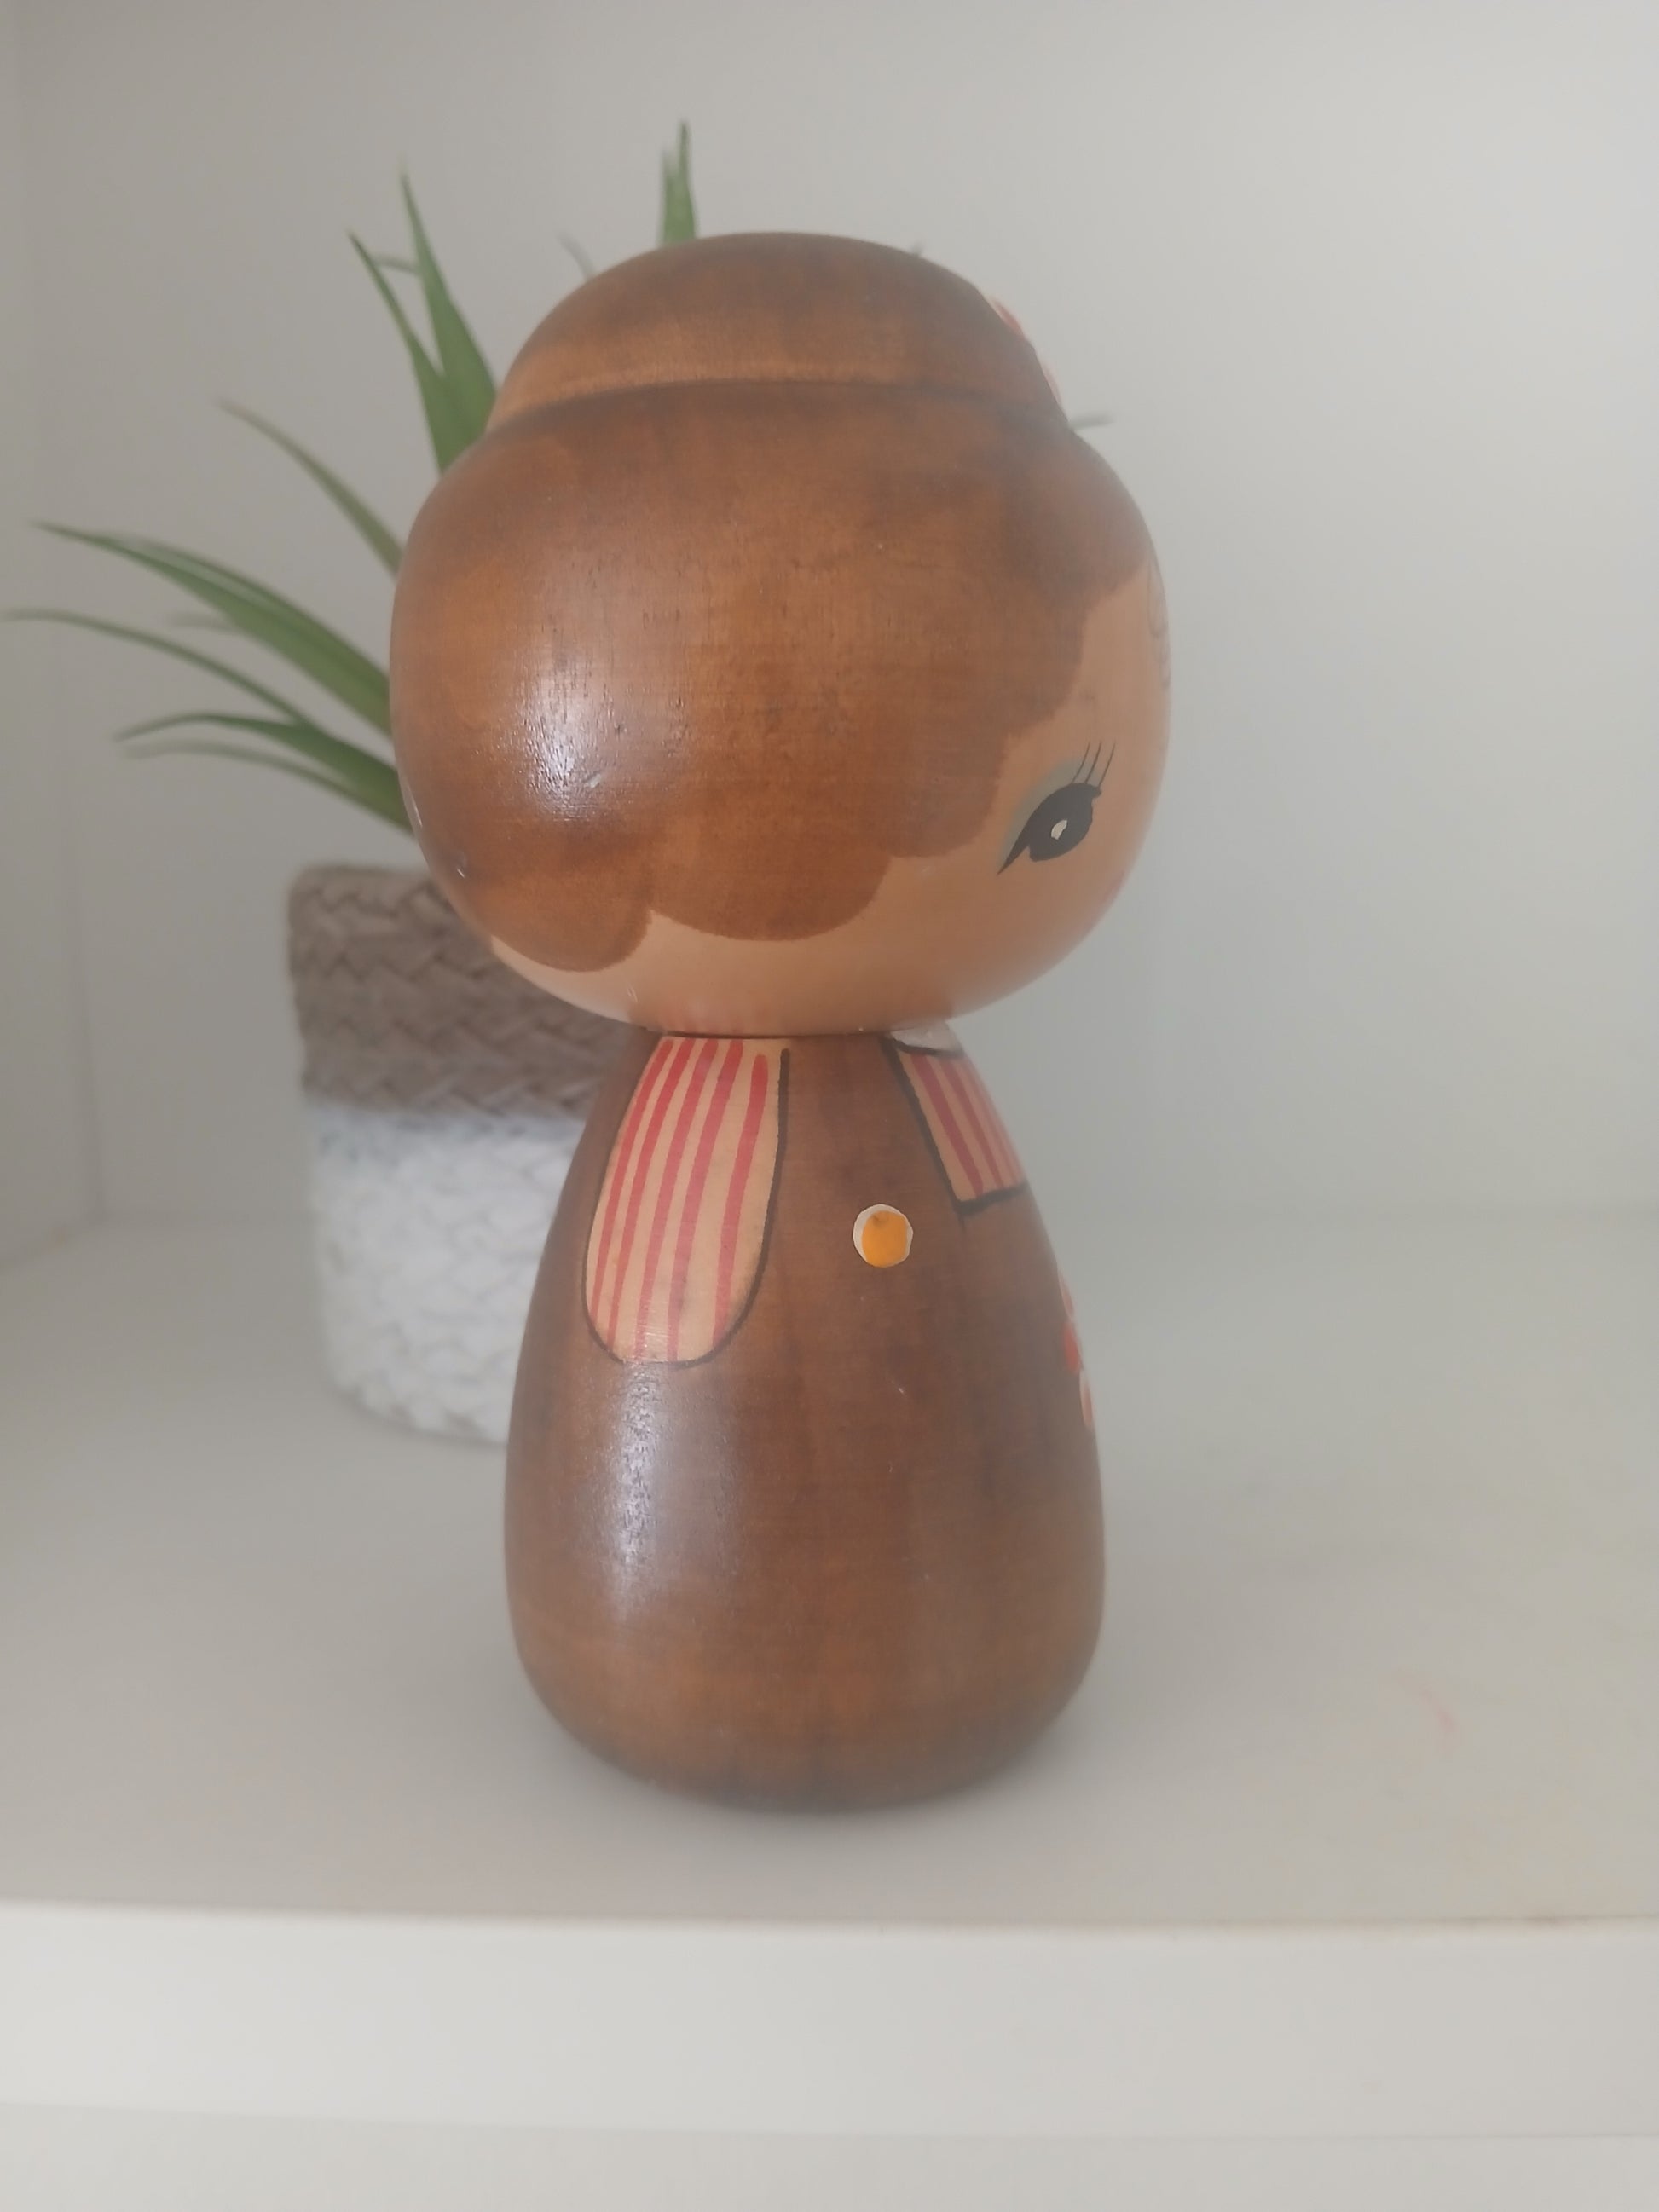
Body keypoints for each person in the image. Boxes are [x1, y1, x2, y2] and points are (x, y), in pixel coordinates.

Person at [390, 233, 1170, 1804]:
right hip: (641, 1627)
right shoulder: (696, 1140)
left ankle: (934, 1640)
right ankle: (649, 1645)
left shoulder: (895, 1078)